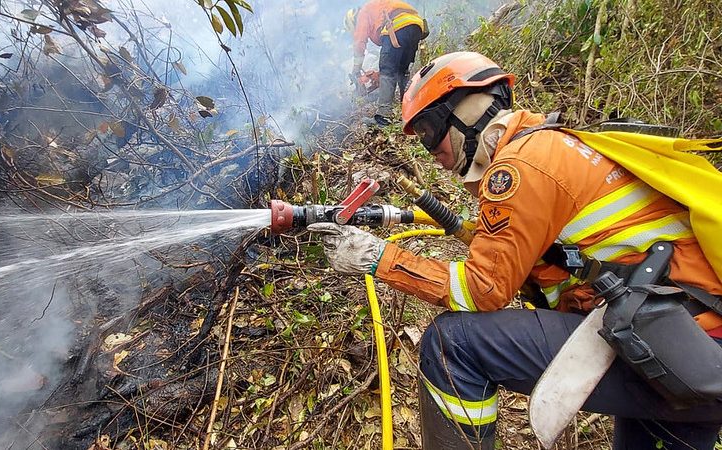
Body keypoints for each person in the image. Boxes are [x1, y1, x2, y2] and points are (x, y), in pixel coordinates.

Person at [308, 51, 722, 449]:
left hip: (678, 343)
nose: (431, 152)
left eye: (432, 131)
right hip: (691, 351)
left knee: (452, 345)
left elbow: (482, 290)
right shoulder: (553, 146)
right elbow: (542, 259)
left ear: (470, 111)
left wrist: (378, 258)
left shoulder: (520, 165)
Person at [345, 1, 425, 126]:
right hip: (416, 26)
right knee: (402, 71)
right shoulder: (377, 8)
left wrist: (356, 69)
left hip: (396, 25)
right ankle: (409, 111)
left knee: (387, 69)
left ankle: (383, 117)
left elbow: (360, 42)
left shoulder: (363, 13)